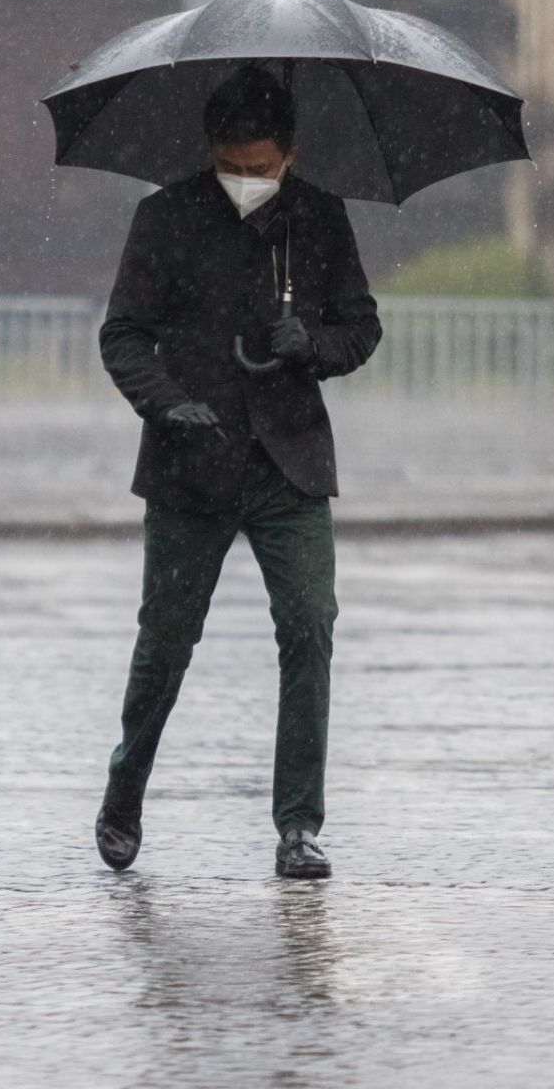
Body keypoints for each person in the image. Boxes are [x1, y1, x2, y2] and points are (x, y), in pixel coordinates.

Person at [93, 67, 381, 879]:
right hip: (191, 462)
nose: (245, 182)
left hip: (289, 464)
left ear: (288, 155)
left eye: (260, 168)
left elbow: (362, 329)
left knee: (308, 628)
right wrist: (166, 403)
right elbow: (123, 334)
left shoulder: (320, 220)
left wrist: (313, 346)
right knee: (166, 640)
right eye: (230, 166)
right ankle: (126, 787)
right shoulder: (167, 216)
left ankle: (298, 823)